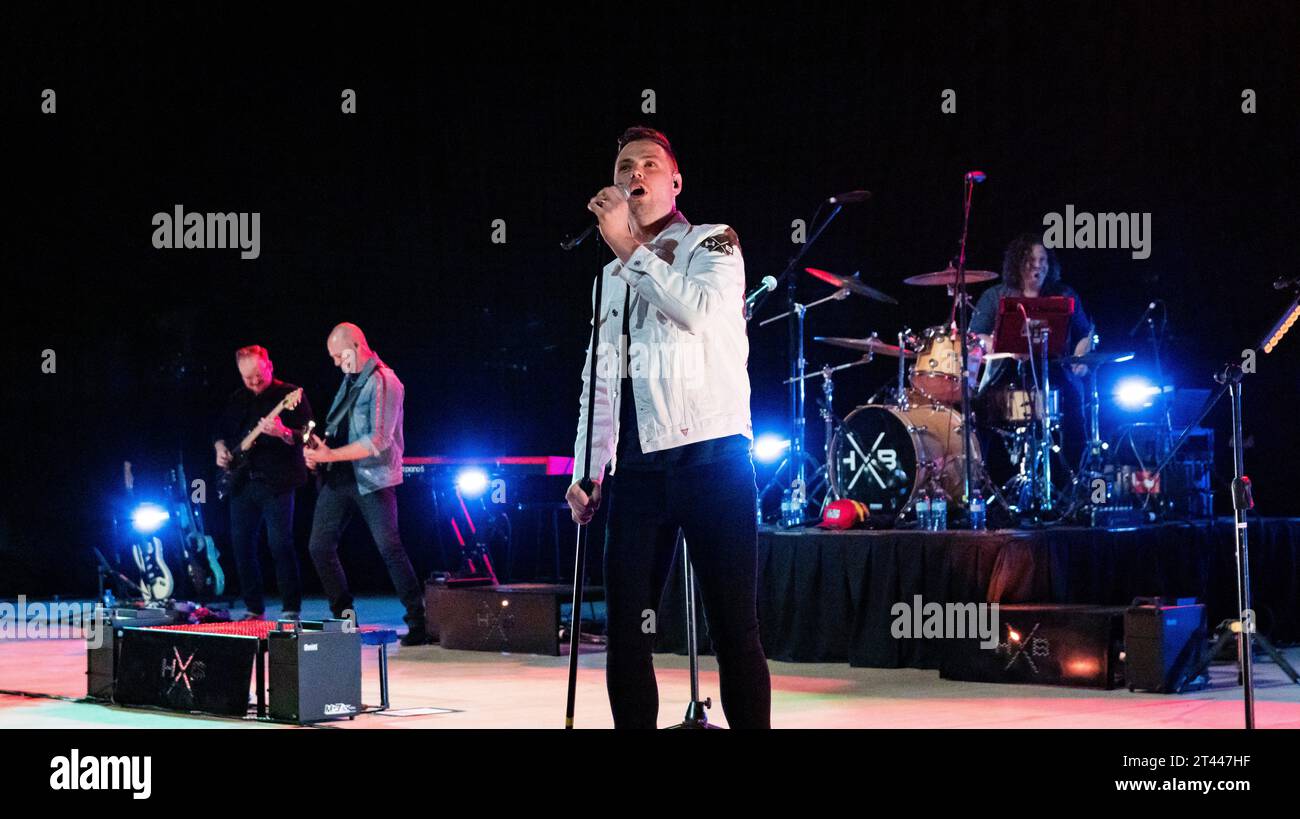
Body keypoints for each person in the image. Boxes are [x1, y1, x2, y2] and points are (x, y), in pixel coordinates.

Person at [564, 126, 771, 728]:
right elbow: (600, 380)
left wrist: (630, 251)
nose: (637, 173)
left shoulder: (715, 243)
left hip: (715, 461)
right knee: (626, 631)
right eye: (626, 165)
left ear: (674, 182)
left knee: (735, 628)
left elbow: (698, 314)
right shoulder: (608, 278)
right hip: (640, 470)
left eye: (651, 164)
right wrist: (588, 466)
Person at [303, 323, 428, 646]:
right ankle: (344, 618)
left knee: (389, 547)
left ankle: (418, 620)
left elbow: (378, 440)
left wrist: (330, 455)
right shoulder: (350, 380)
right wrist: (317, 450)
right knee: (319, 546)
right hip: (340, 477)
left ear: (356, 346)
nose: (334, 362)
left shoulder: (386, 381)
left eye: (337, 355)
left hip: (373, 478)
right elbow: (337, 427)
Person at [970, 234, 1095, 478]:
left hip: (1055, 372)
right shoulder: (996, 295)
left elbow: (1085, 334)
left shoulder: (1064, 294)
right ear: (1018, 263)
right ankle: (990, 482)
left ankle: (1069, 483)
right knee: (980, 411)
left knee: (1076, 407)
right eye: (1031, 260)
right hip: (1005, 372)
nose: (1038, 265)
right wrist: (1002, 345)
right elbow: (975, 335)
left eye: (1043, 259)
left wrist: (1081, 356)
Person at [214, 345, 313, 620]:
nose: (254, 381)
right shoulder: (237, 398)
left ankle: (291, 607)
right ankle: (253, 608)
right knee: (241, 545)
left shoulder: (290, 395)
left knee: (280, 544)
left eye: (258, 374)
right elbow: (221, 432)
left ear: (269, 365)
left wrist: (283, 433)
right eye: (247, 377)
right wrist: (220, 449)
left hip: (278, 482)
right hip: (242, 482)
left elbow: (306, 434)